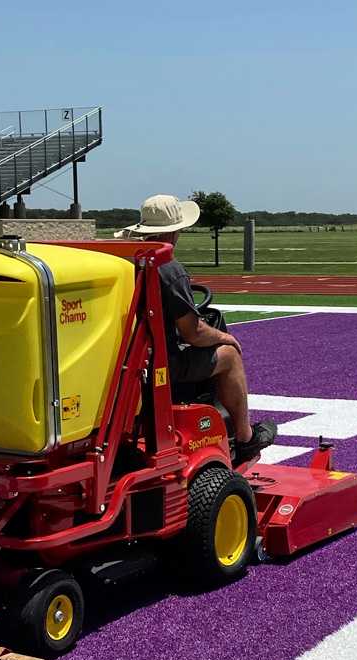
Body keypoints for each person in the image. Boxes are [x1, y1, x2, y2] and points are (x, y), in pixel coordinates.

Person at [118, 194, 277, 464]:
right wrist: (227, 337)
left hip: (127, 362)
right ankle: (245, 436)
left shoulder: (127, 262)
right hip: (159, 365)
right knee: (229, 355)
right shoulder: (168, 268)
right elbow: (194, 332)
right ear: (174, 229)